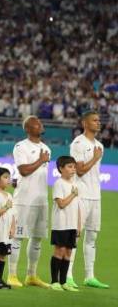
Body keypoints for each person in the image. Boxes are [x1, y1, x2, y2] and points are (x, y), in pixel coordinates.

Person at [7, 116, 51, 288]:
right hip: (24, 200)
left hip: (41, 200)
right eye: (36, 123)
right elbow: (23, 170)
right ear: (27, 128)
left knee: (37, 238)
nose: (40, 124)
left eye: (41, 122)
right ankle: (12, 275)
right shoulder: (21, 146)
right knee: (17, 237)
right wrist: (40, 160)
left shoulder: (46, 148)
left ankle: (31, 275)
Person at [68, 111, 109, 289]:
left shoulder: (99, 145)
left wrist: (96, 156)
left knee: (92, 236)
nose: (98, 123)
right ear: (85, 123)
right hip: (81, 195)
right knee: (75, 236)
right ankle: (68, 275)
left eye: (99, 120)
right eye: (94, 120)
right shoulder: (78, 143)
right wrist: (95, 157)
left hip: (95, 196)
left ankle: (89, 276)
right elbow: (80, 170)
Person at [49, 156, 81, 292]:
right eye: (69, 167)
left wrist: (79, 225)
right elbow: (61, 204)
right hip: (61, 223)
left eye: (74, 167)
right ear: (61, 168)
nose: (73, 169)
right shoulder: (59, 183)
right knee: (59, 251)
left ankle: (64, 282)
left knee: (68, 252)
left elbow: (78, 206)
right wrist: (73, 195)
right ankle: (54, 281)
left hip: (72, 224)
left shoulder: (74, 185)